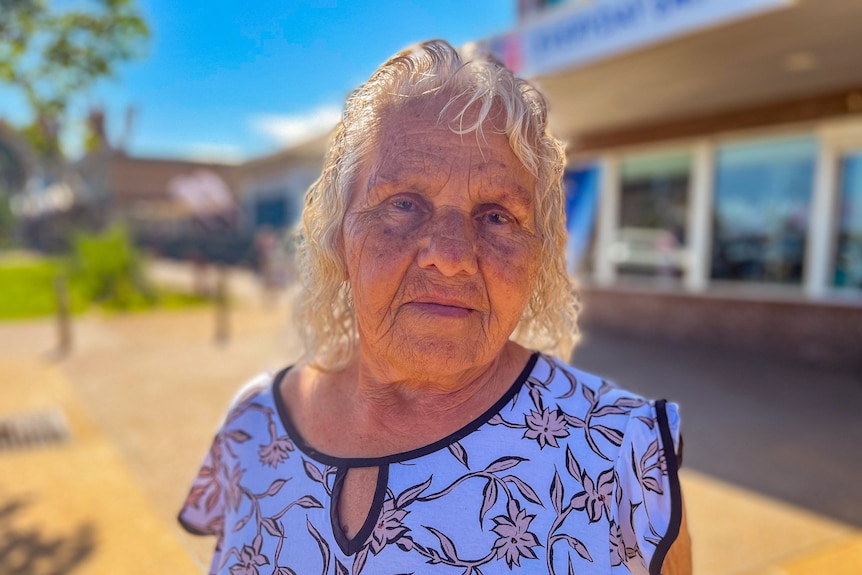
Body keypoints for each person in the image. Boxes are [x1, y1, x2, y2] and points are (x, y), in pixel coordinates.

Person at [179, 40, 691, 575]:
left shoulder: (627, 456)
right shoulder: (253, 424)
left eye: (497, 216)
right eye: (403, 204)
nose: (450, 257)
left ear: (539, 256)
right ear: (338, 236)